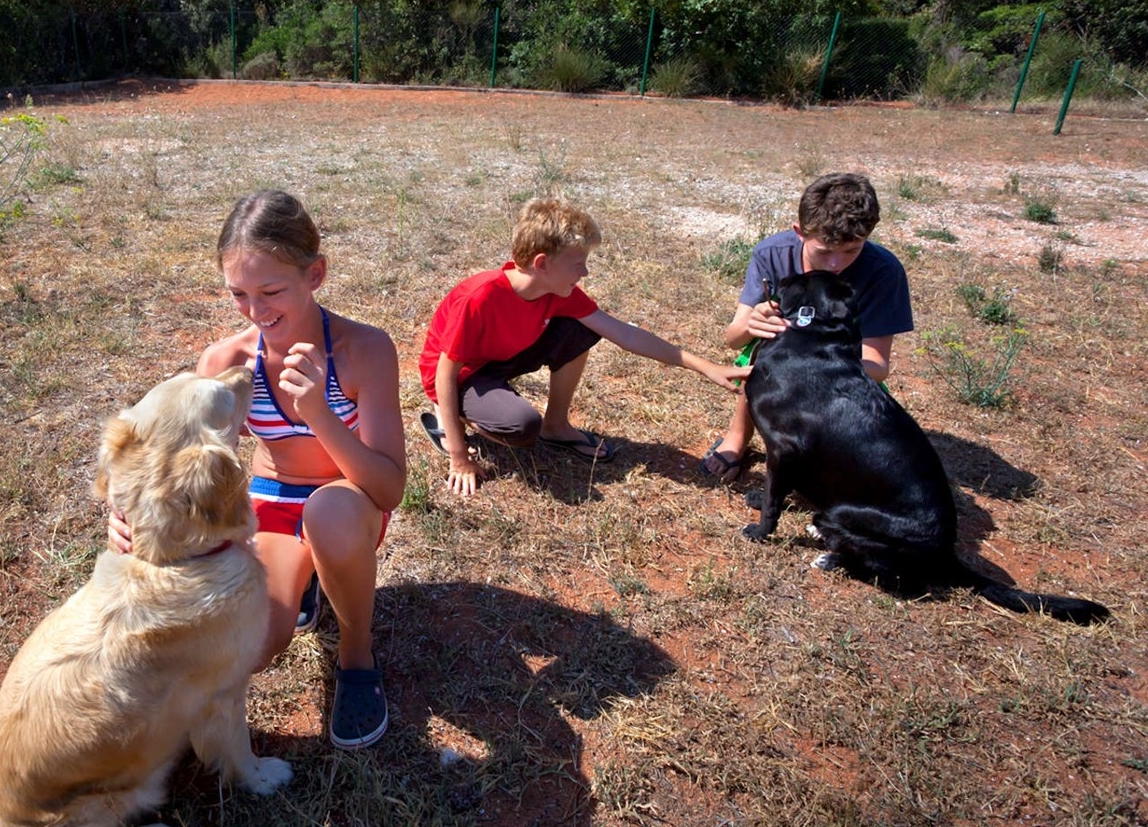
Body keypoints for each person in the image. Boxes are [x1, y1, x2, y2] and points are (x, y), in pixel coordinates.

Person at [110, 190, 406, 751]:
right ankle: (309, 578)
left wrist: (319, 413)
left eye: (271, 291)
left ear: (315, 273)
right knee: (256, 646)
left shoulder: (363, 349)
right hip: (272, 502)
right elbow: (175, 457)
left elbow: (388, 486)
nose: (255, 310)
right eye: (239, 295)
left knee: (330, 512)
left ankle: (357, 656)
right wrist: (122, 511)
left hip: (350, 501)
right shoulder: (226, 362)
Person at [418, 197, 750, 496]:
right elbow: (445, 373)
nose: (586, 272)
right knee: (521, 426)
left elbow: (626, 334)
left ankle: (557, 426)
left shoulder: (556, 292)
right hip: (459, 376)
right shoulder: (480, 298)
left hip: (500, 358)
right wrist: (459, 457)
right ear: (542, 263)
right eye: (578, 263)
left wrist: (707, 367)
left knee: (577, 330)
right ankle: (451, 419)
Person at [699, 172, 914, 482]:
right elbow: (734, 340)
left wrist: (816, 364)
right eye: (824, 252)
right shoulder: (772, 255)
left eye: (852, 250)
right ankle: (737, 436)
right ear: (799, 232)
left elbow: (878, 366)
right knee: (764, 352)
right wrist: (753, 322)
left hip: (842, 372)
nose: (836, 265)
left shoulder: (883, 272)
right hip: (784, 360)